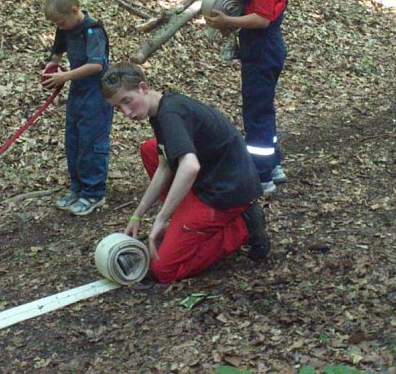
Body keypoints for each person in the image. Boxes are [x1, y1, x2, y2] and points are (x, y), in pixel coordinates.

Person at [100, 61, 269, 284]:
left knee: (163, 270)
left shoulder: (170, 114)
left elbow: (190, 166)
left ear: (143, 87)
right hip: (212, 177)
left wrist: (161, 218)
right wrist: (138, 214)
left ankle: (243, 226)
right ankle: (187, 218)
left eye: (127, 101)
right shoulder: (159, 110)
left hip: (226, 191)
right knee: (150, 149)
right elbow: (164, 166)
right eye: (118, 108)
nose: (126, 112)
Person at [206, 0, 288, 195]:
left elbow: (262, 19)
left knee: (256, 113)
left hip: (262, 48)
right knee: (263, 109)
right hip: (268, 47)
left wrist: (229, 22)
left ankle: (261, 176)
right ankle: (274, 164)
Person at [41, 0, 113, 216]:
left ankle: (94, 192)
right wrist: (51, 69)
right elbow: (56, 54)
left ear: (74, 11)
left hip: (97, 92)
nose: (59, 27)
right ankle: (77, 188)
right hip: (78, 91)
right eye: (56, 24)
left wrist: (65, 76)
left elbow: (96, 65)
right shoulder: (65, 29)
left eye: (61, 22)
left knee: (92, 142)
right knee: (74, 140)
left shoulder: (93, 31)